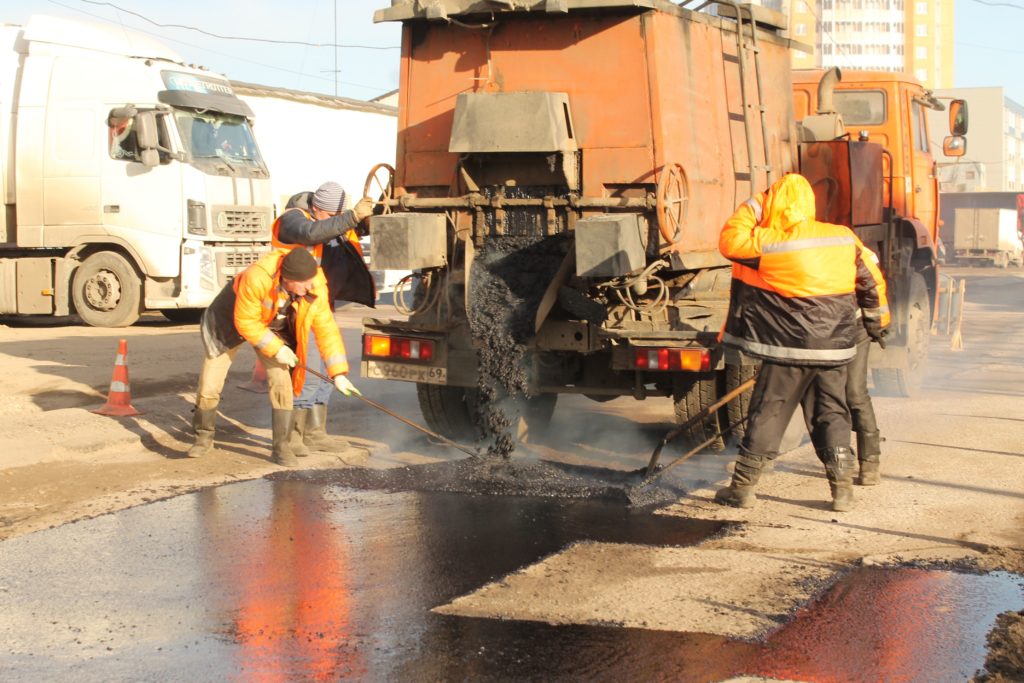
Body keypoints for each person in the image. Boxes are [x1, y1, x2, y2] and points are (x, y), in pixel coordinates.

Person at [714, 173, 890, 512]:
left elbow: (729, 240)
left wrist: (756, 202)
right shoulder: (841, 237)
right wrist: (877, 323)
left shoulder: (770, 242)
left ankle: (743, 489)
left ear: (776, 205)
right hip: (836, 347)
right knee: (831, 412)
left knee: (769, 411)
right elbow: (870, 281)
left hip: (789, 347)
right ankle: (842, 491)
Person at [187, 248, 359, 467]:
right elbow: (246, 322)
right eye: (304, 283)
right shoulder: (256, 277)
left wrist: (339, 373)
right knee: (210, 385)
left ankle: (281, 446)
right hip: (228, 324)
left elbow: (326, 330)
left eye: (311, 281)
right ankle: (203, 437)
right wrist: (278, 349)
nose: (309, 287)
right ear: (287, 280)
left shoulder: (315, 284)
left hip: (269, 327)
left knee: (281, 382)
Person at [272, 182, 375, 456]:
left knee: (328, 366)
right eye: (331, 216)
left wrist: (367, 218)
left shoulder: (330, 220)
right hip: (298, 302)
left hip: (321, 301)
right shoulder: (293, 220)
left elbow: (341, 229)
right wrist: (351, 216)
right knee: (308, 370)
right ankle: (295, 436)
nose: (335, 222)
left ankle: (315, 433)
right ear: (316, 207)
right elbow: (312, 233)